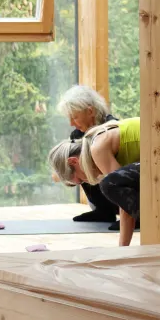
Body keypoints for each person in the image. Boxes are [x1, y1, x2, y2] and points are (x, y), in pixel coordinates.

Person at [48, 119, 160, 246]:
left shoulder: (97, 147)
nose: (86, 181)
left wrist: (122, 249)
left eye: (80, 179)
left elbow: (124, 205)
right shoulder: (101, 139)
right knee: (143, 189)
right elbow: (128, 204)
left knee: (108, 184)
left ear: (73, 161)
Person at [57, 85, 118, 226]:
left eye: (75, 117)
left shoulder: (112, 128)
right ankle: (102, 210)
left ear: (90, 111)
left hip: (123, 196)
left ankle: (134, 214)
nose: (71, 123)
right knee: (77, 159)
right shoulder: (77, 135)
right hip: (103, 198)